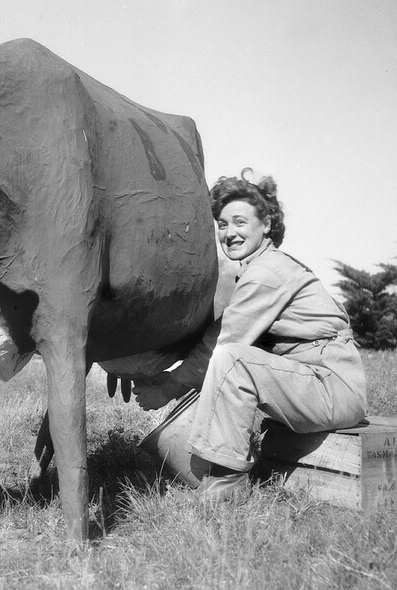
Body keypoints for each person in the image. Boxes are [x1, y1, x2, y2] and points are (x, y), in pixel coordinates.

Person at [134, 169, 367, 499]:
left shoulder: (266, 273)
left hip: (333, 387)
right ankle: (218, 468)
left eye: (240, 222)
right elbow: (219, 332)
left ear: (266, 225)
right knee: (227, 361)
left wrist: (169, 387)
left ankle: (227, 483)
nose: (229, 233)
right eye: (223, 224)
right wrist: (167, 379)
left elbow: (224, 345)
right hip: (318, 382)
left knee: (230, 360)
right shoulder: (257, 271)